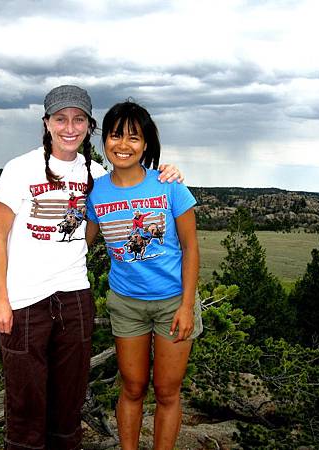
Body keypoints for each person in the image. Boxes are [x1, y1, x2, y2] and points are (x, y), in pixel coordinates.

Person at [0, 85, 182, 450]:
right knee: (26, 401)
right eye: (60, 119)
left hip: (75, 297)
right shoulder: (19, 169)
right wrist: (1, 299)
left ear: (89, 126)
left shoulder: (94, 173)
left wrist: (168, 171)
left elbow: (131, 187)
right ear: (46, 123)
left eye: (78, 119)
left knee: (69, 399)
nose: (69, 127)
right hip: (25, 300)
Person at [86, 100, 203, 450]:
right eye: (115, 135)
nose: (123, 145)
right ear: (105, 140)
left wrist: (185, 307)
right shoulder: (97, 191)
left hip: (172, 303)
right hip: (127, 304)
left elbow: (191, 249)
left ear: (146, 144)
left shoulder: (170, 186)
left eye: (133, 137)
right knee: (133, 387)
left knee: (167, 391)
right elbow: (82, 245)